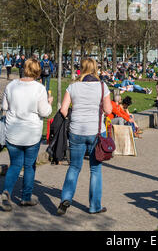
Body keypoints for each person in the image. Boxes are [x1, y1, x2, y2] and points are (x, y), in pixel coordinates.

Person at [57, 58, 112, 215]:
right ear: (95, 68)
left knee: (74, 167)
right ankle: (94, 206)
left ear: (81, 68)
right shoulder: (102, 86)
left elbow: (63, 110)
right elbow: (108, 110)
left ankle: (65, 198)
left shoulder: (73, 86)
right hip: (96, 131)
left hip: (76, 131)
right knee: (95, 168)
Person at [1, 58, 53, 211]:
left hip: (13, 131)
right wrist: (49, 103)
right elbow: (45, 112)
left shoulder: (11, 85)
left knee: (15, 164)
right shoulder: (39, 88)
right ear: (38, 71)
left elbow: (4, 106)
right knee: (29, 166)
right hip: (31, 132)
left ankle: (7, 192)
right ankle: (25, 197)